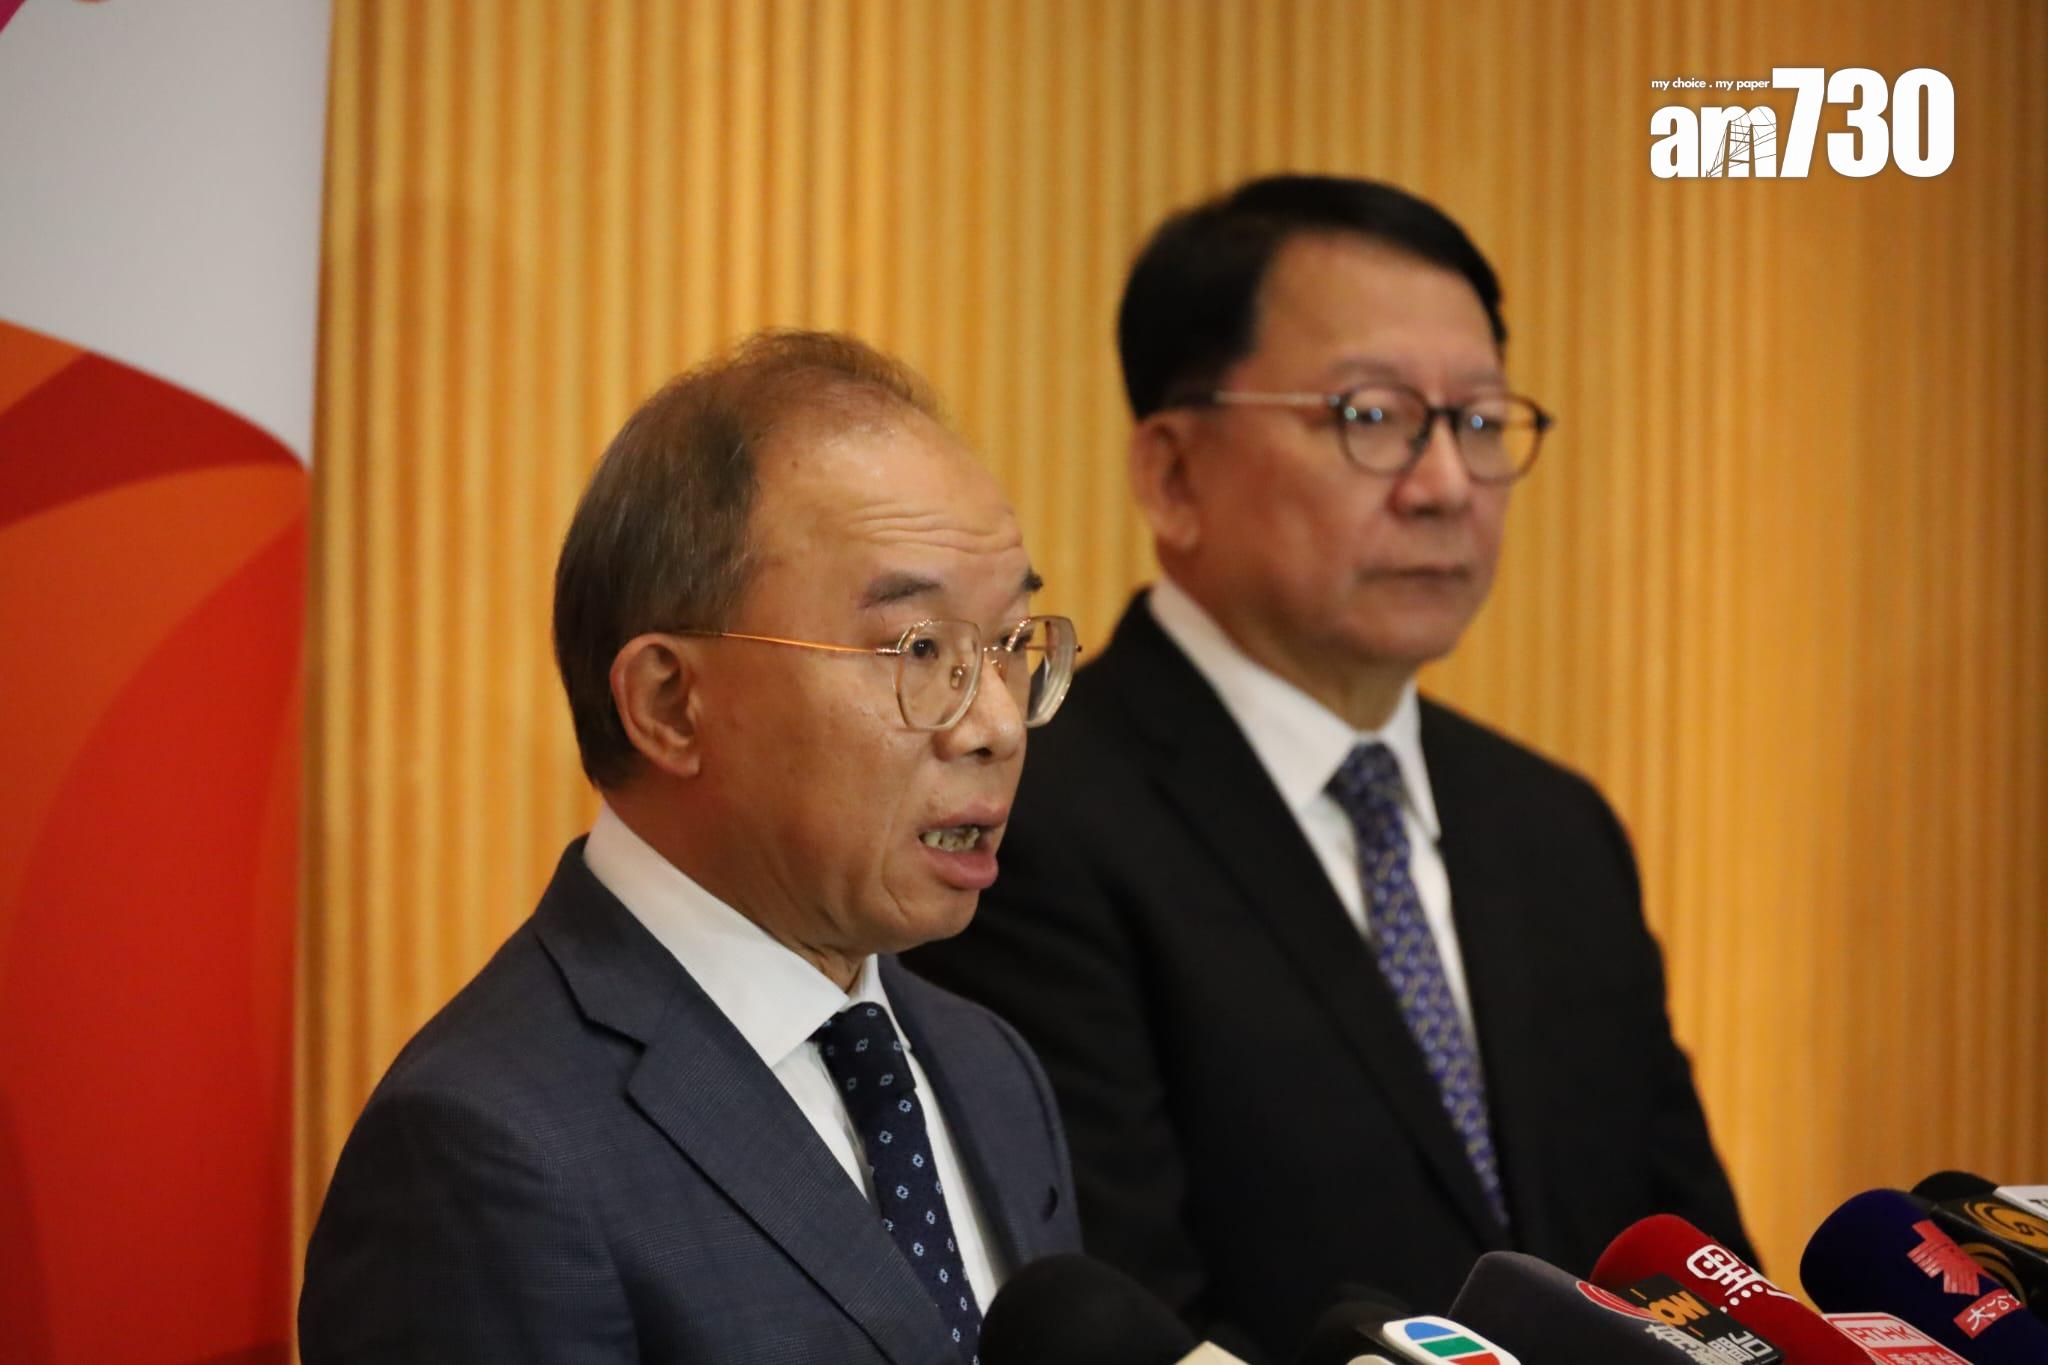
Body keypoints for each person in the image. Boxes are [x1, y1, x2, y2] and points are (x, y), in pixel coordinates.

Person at [904, 175, 1754, 1363]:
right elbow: (1115, 1307)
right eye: (1371, 416)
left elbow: (1702, 1279)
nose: (1444, 485)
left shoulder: (1555, 831)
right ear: (1172, 474)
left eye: (1476, 422)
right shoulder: (1030, 816)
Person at [300, 331, 1085, 1364]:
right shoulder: (483, 1148)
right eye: (918, 648)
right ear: (670, 704)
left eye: (1011, 645)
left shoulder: (991, 1069)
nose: (996, 725)